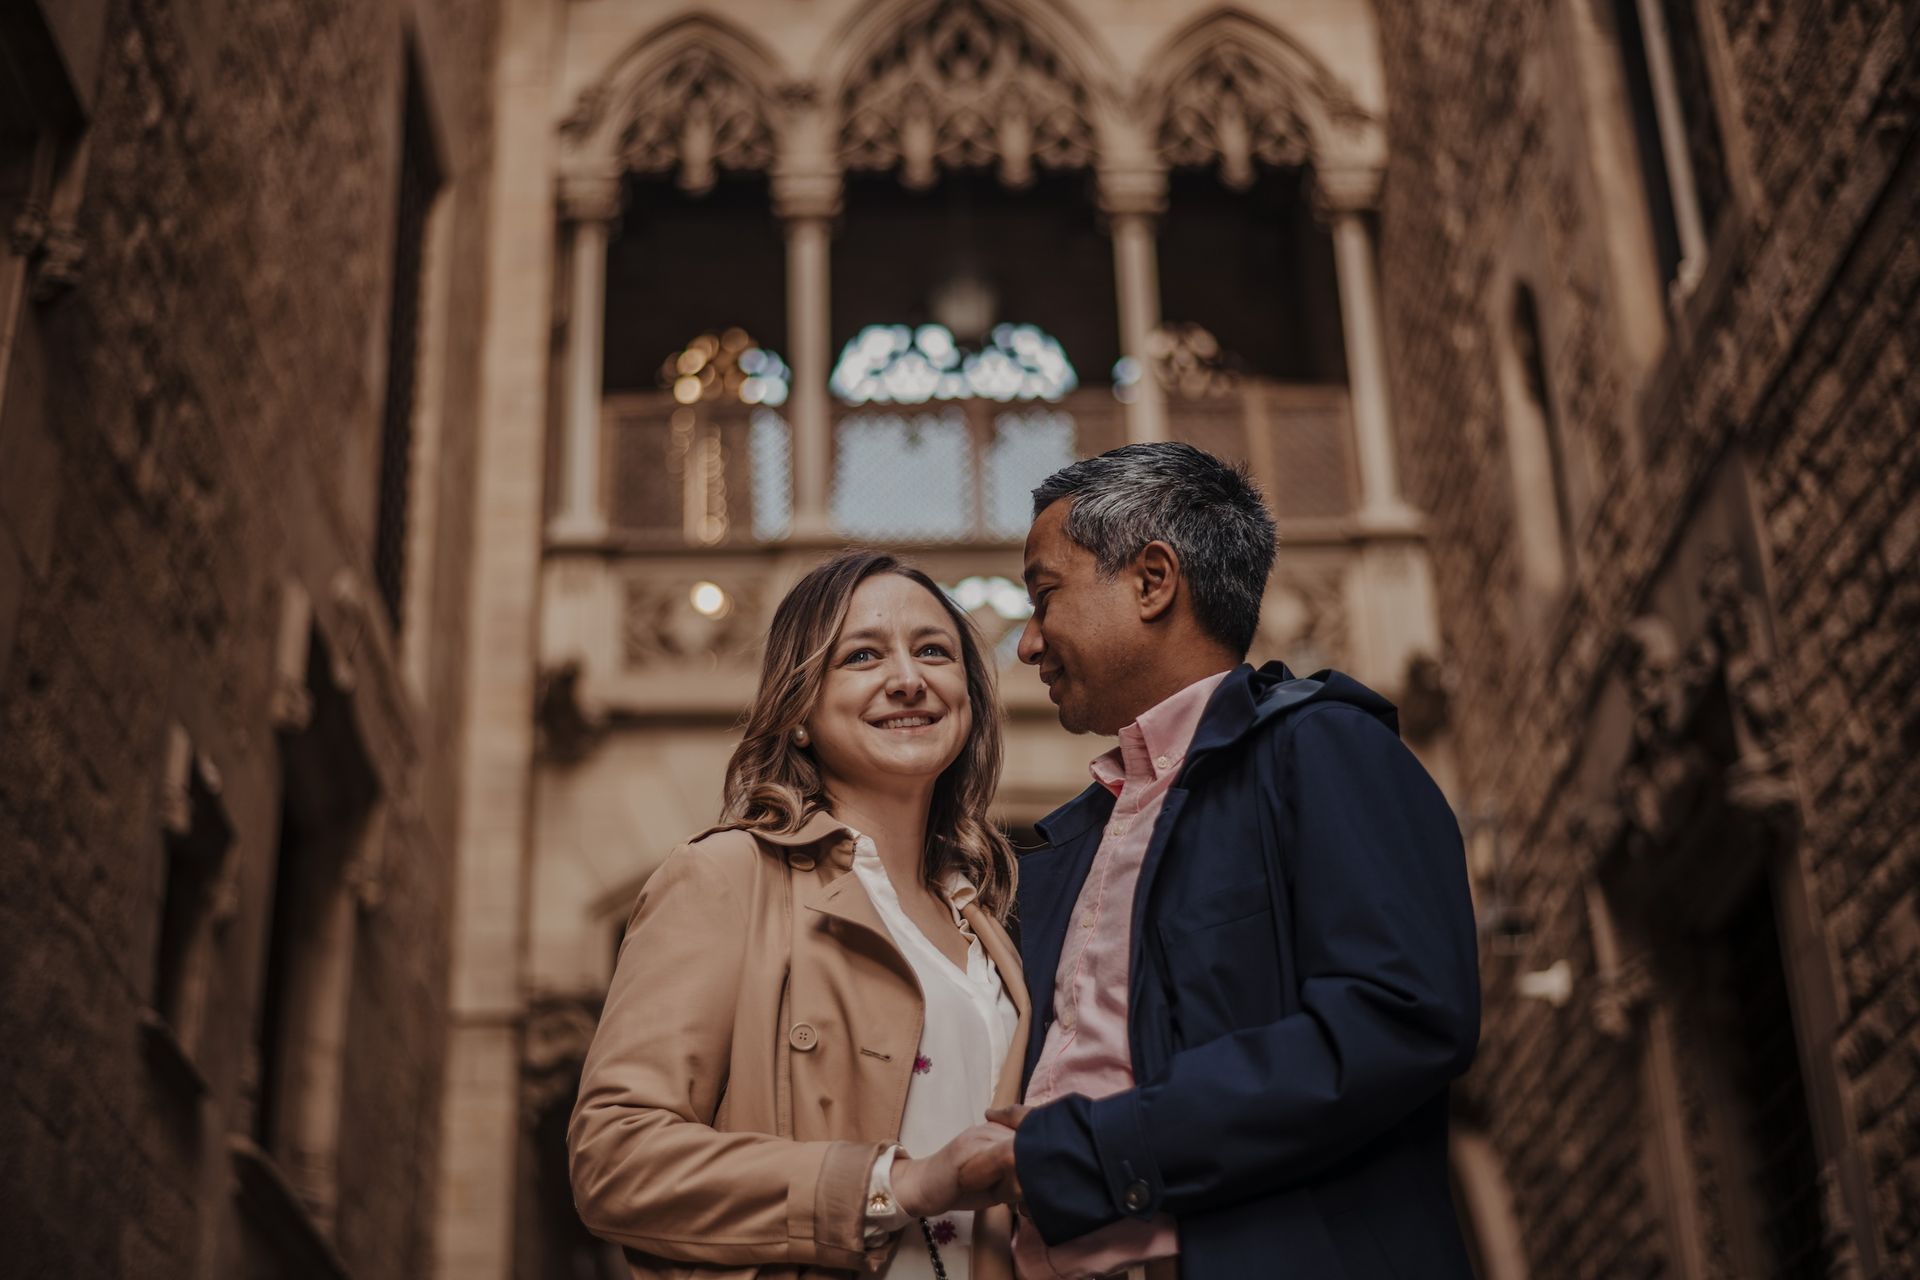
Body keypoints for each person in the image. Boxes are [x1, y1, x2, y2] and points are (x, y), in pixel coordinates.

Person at [967, 442, 1481, 1279]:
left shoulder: (1323, 753)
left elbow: (1400, 1017)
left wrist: (1099, 1151)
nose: (1027, 645)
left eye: (1045, 596)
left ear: (1152, 581)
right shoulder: (1058, 851)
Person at [570, 550, 1029, 1279]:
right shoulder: (729, 877)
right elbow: (617, 1159)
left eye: (934, 651)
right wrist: (897, 1183)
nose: (908, 679)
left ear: (968, 698)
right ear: (802, 710)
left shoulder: (987, 932)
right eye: (862, 656)